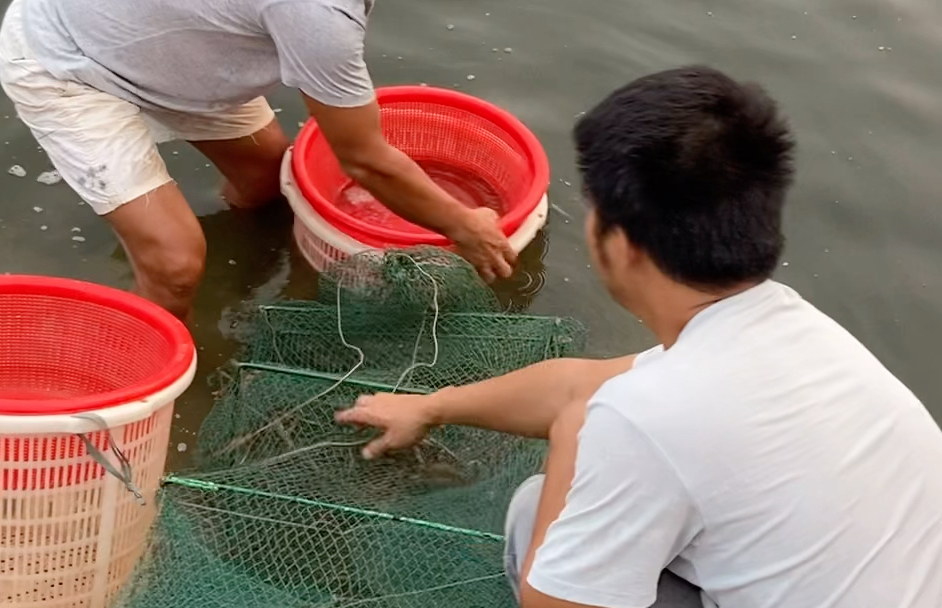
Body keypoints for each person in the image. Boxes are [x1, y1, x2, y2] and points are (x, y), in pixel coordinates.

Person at [336, 66, 942, 608]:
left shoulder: (647, 417)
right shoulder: (798, 332)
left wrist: (577, 434)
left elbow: (556, 602)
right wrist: (430, 407)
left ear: (620, 244)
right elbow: (576, 384)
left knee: (534, 511)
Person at [0, 0, 515, 321]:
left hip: (170, 49)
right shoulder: (317, 14)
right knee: (175, 264)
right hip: (64, 62)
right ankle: (155, 385)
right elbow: (362, 158)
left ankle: (236, 266)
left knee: (268, 174)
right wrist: (464, 224)